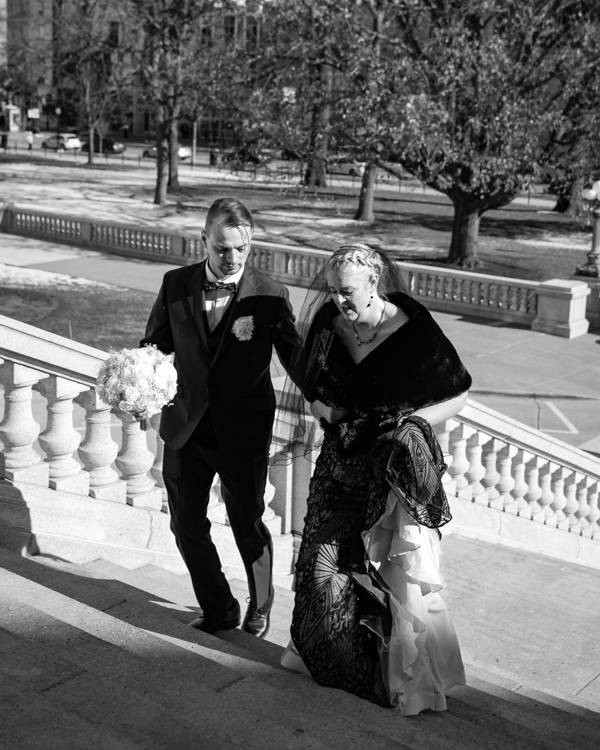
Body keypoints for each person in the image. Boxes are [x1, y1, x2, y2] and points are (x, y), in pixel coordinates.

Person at [280, 244, 472, 714]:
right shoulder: (328, 321)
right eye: (332, 291)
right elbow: (312, 387)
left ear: (374, 283)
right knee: (319, 566)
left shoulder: (412, 328)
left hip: (387, 471)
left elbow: (459, 393)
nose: (338, 301)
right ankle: (329, 659)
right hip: (338, 461)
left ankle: (391, 679)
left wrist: (416, 425)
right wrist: (324, 407)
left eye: (346, 292)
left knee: (385, 578)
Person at [141, 197, 302, 638]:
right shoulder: (175, 284)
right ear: (204, 241)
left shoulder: (271, 295)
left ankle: (261, 604)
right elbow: (154, 348)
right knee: (185, 522)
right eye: (222, 248)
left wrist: (331, 400)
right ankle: (219, 607)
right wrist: (138, 387)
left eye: (242, 249)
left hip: (242, 431)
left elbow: (298, 360)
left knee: (247, 521)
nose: (232, 259)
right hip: (186, 425)